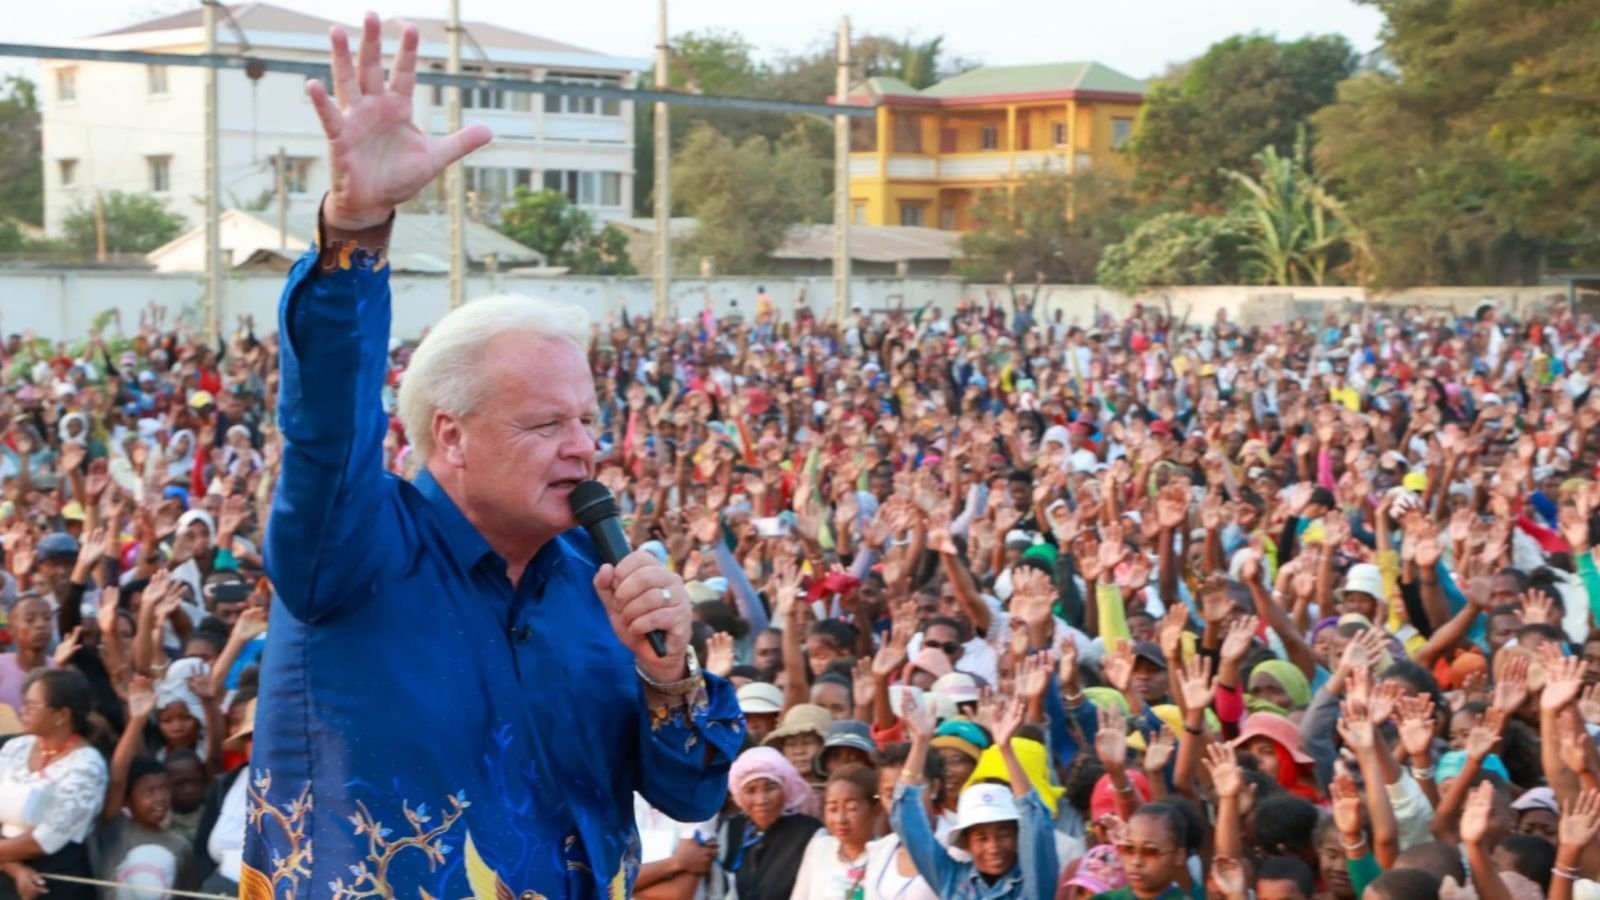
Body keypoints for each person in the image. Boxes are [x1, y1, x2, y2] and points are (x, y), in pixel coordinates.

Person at [247, 15, 743, 898]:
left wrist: (668, 678)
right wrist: (358, 229)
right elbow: (327, 424)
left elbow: (693, 785)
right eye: (546, 423)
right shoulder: (355, 549)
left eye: (589, 419)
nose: (585, 447)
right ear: (449, 435)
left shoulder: (607, 584)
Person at [0, 670, 108, 900]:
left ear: (62, 715)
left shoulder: (86, 766)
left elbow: (43, 841)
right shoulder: (15, 748)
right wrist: (14, 868)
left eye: (31, 705)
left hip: (51, 883)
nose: (22, 710)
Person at [718, 747, 821, 900]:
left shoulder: (810, 833)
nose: (761, 800)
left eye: (770, 787)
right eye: (751, 790)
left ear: (785, 788)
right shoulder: (733, 830)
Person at [791, 765, 877, 899]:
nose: (840, 819)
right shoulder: (820, 848)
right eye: (832, 808)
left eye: (852, 808)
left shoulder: (886, 854)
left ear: (874, 810)